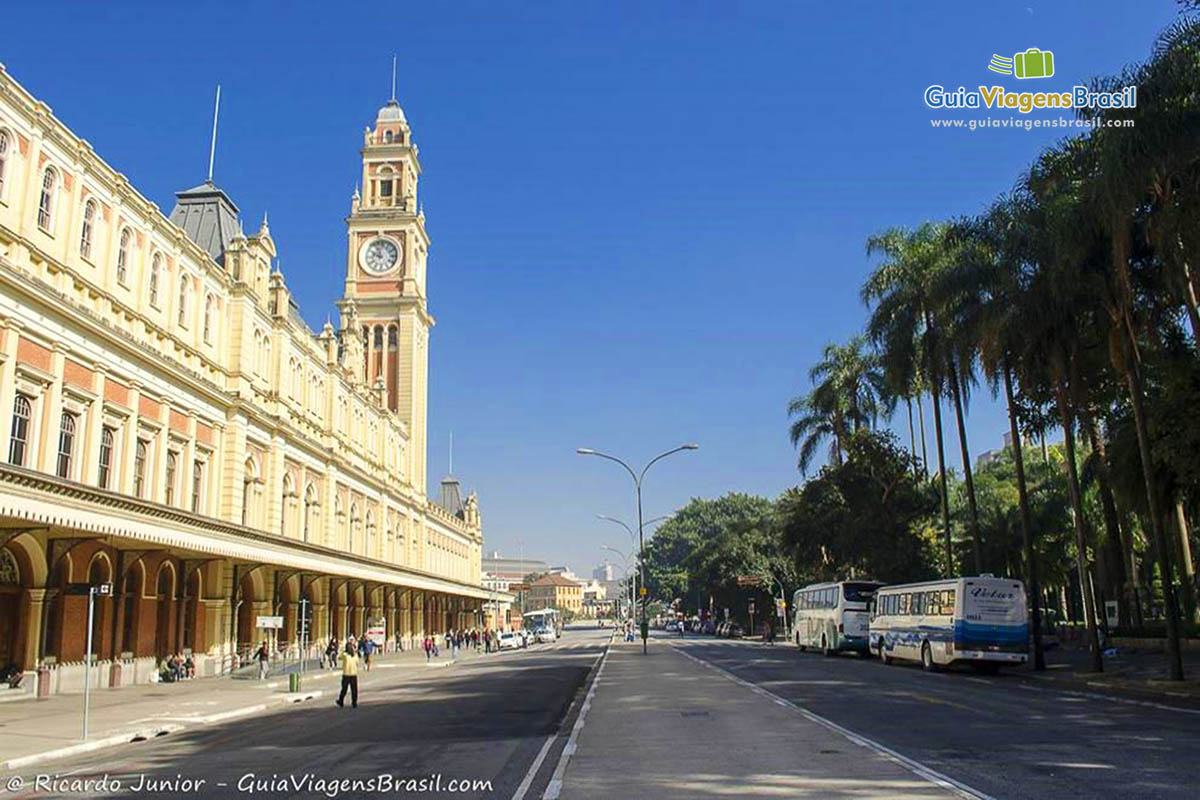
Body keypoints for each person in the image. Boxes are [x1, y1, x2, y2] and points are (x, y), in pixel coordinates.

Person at [335, 643, 360, 709]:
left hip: (346, 674)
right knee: (354, 690)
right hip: (353, 674)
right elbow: (357, 663)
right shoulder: (355, 655)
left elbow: (339, 657)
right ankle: (354, 702)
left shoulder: (345, 655)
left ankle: (341, 701)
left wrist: (344, 651)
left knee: (344, 689)